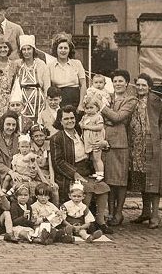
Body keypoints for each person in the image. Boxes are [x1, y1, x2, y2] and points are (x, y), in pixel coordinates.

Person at [50, 105, 112, 235]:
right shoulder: (57, 138)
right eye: (66, 119)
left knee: (103, 187)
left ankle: (100, 221)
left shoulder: (81, 131)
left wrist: (104, 145)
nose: (70, 121)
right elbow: (58, 162)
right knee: (87, 188)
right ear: (60, 121)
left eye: (72, 118)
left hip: (88, 169)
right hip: (69, 174)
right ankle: (84, 222)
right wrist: (75, 174)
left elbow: (97, 144)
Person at [128, 73, 162, 229]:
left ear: (149, 87)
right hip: (136, 145)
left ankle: (155, 215)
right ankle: (145, 212)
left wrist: (160, 136)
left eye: (144, 85)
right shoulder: (132, 100)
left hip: (152, 145)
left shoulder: (157, 101)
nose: (140, 87)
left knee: (154, 180)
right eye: (138, 85)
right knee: (142, 178)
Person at [97, 70, 136, 226]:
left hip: (120, 143)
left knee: (120, 180)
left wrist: (103, 109)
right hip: (105, 141)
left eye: (121, 81)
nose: (118, 84)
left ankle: (119, 213)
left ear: (126, 83)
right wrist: (110, 117)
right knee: (109, 180)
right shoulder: (108, 96)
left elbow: (118, 117)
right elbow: (107, 117)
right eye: (115, 81)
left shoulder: (131, 99)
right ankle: (110, 212)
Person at [48, 33, 86, 110]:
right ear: (56, 49)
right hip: (58, 102)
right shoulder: (50, 66)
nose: (63, 50)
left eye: (66, 48)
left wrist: (81, 105)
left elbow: (83, 85)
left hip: (75, 101)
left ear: (69, 50)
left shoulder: (77, 63)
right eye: (60, 48)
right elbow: (49, 87)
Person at [17, 35, 50, 123]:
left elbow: (47, 86)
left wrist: (47, 104)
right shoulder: (18, 65)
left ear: (33, 50)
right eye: (24, 49)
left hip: (39, 102)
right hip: (22, 102)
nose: (26, 52)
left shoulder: (41, 64)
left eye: (29, 49)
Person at [0, 111, 21, 186]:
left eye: (13, 125)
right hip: (1, 174)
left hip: (18, 172)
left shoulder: (19, 138)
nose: (11, 128)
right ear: (2, 124)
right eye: (8, 124)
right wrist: (11, 172)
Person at [80, 94, 107, 181]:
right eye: (87, 108)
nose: (89, 110)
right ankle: (97, 172)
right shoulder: (85, 117)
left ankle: (101, 174)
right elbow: (80, 124)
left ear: (97, 108)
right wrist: (81, 124)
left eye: (91, 108)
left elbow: (100, 127)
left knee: (97, 158)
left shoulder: (98, 117)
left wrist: (87, 127)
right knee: (93, 158)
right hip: (88, 141)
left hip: (96, 140)